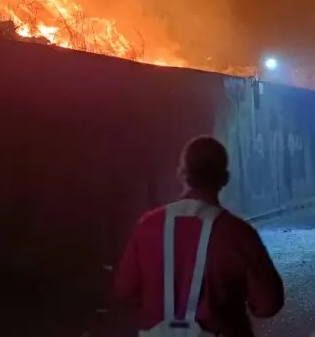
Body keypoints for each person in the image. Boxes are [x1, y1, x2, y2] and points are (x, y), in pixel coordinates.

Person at [115, 136, 285, 337]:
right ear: (225, 178)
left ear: (181, 174)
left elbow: (125, 291)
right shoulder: (238, 233)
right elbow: (267, 304)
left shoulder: (148, 226)